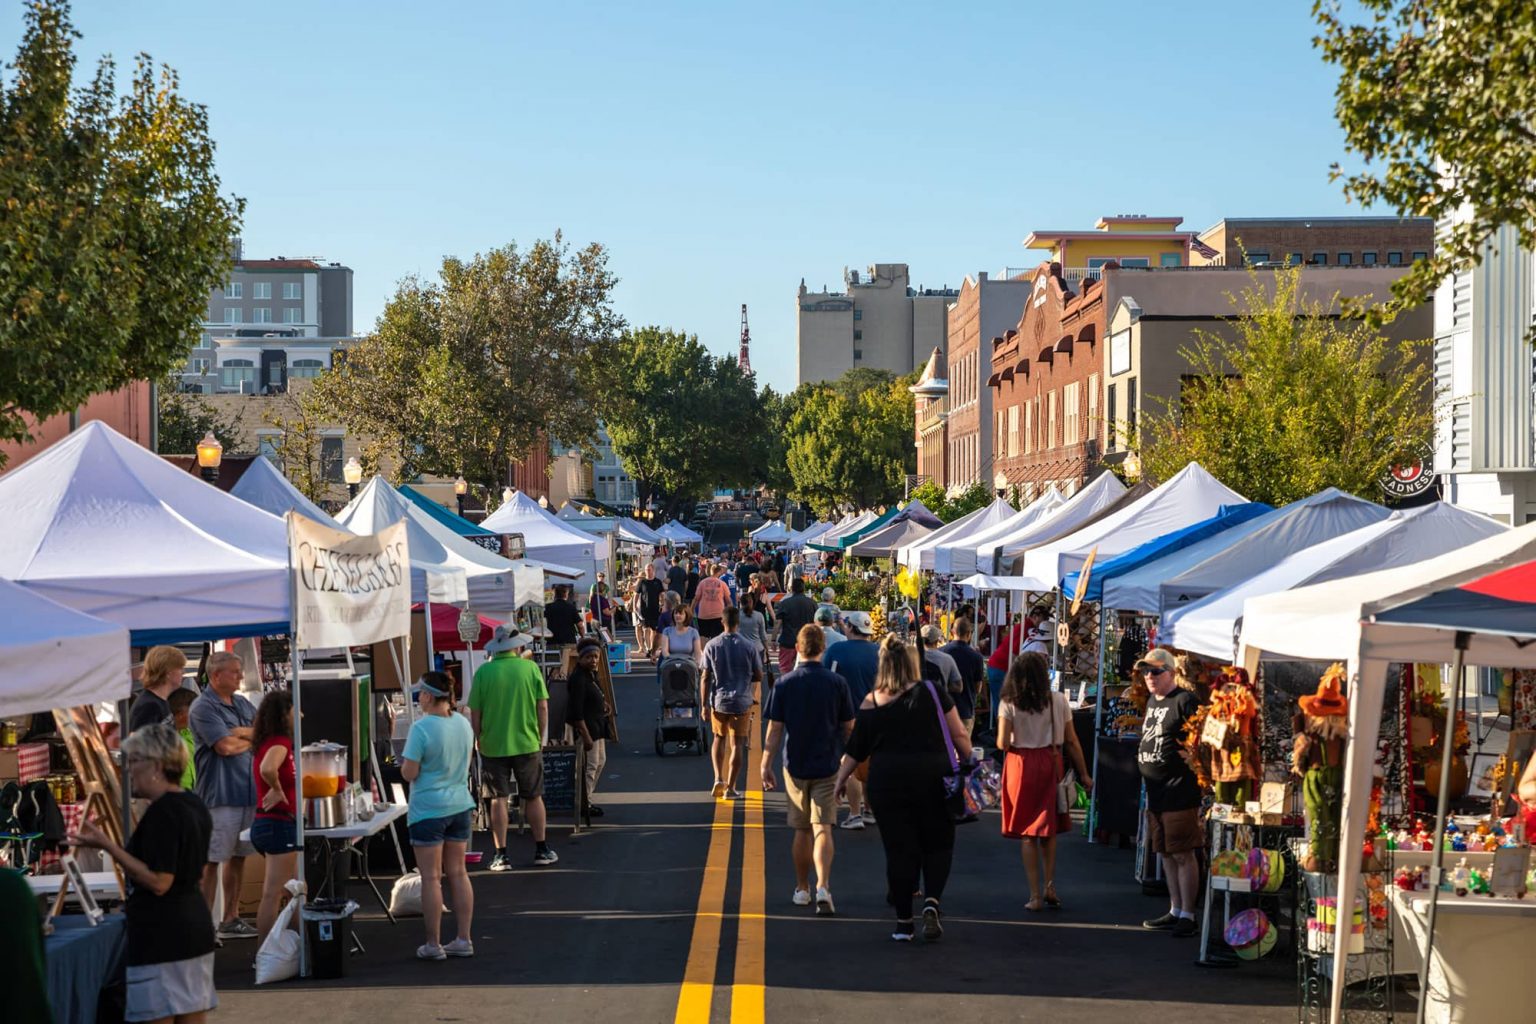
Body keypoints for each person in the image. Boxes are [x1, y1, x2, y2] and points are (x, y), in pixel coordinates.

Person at [70, 722, 217, 1023]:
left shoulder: (164, 812)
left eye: (135, 760)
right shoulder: (193, 803)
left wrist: (108, 846)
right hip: (193, 927)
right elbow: (197, 871)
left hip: (163, 936)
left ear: (157, 766)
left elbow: (160, 881)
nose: (129, 769)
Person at [834, 636, 972, 943]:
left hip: (888, 782)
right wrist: (971, 763)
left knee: (898, 850)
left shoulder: (872, 700)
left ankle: (903, 924)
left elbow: (856, 749)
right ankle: (932, 901)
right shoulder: (933, 692)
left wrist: (841, 780)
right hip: (935, 777)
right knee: (938, 844)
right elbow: (960, 734)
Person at [762, 624, 855, 917]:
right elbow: (848, 728)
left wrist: (765, 763)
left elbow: (775, 729)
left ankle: (802, 888)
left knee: (802, 829)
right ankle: (823, 886)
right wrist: (849, 763)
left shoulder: (785, 684)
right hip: (828, 763)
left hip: (795, 765)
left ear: (798, 648)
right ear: (823, 649)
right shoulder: (837, 683)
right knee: (823, 827)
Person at [997, 652, 1091, 913]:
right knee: (1048, 829)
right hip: (1051, 761)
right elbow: (1072, 740)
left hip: (1021, 764)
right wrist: (1084, 773)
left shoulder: (1009, 701)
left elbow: (1002, 743)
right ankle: (1050, 885)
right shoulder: (1059, 700)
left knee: (1028, 833)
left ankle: (1035, 895)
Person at [402, 672, 477, 960]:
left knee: (431, 877)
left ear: (428, 696)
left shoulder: (421, 729)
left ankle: (433, 944)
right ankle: (464, 938)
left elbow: (409, 772)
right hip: (459, 804)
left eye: (420, 694)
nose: (418, 698)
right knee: (459, 873)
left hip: (428, 809)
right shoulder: (462, 723)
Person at [469, 625, 557, 870]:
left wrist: (479, 736)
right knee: (533, 796)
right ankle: (541, 848)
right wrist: (540, 736)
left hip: (493, 744)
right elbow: (542, 706)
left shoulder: (483, 672)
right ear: (517, 646)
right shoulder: (530, 668)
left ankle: (501, 854)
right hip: (527, 742)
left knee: (498, 799)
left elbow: (475, 712)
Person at [189, 650, 258, 941]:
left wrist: (240, 733)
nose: (241, 676)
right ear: (216, 676)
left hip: (247, 792)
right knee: (212, 860)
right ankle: (204, 926)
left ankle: (231, 918)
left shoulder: (241, 702)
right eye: (235, 671)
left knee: (238, 857)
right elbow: (225, 747)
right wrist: (249, 736)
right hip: (220, 795)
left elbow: (265, 731)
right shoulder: (203, 707)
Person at [1134, 648, 1203, 937]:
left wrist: (1193, 759)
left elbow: (1200, 739)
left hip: (1179, 790)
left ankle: (1188, 914)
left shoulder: (1185, 700)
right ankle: (1175, 909)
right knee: (1164, 852)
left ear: (1171, 673)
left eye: (1155, 671)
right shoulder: (1153, 700)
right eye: (1145, 671)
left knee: (1183, 852)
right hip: (1156, 791)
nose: (1149, 676)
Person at [249, 691, 299, 944]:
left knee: (295, 890)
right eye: (295, 710)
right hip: (277, 824)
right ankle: (265, 953)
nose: (300, 715)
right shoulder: (280, 742)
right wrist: (278, 790)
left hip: (274, 823)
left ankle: (294, 946)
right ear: (284, 714)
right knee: (274, 893)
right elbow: (267, 768)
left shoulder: (270, 742)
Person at [824, 612, 880, 830]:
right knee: (869, 764)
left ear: (850, 628)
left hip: (845, 716)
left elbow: (827, 681)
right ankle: (869, 810)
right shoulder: (879, 652)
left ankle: (854, 813)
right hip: (875, 715)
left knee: (850, 763)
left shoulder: (837, 650)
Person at [701, 607, 763, 799]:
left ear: (722, 621)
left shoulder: (712, 645)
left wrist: (704, 705)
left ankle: (718, 778)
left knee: (718, 738)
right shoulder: (749, 646)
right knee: (737, 744)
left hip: (719, 700)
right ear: (738, 623)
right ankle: (731, 788)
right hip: (741, 700)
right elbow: (758, 674)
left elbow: (705, 677)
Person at [567, 639, 612, 817]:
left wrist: (604, 703)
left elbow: (595, 695)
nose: (593, 660)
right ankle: (583, 803)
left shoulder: (591, 675)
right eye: (589, 657)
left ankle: (587, 798)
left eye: (596, 657)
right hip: (588, 729)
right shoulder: (578, 679)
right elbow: (576, 711)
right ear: (580, 658)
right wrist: (585, 735)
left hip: (598, 726)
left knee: (600, 762)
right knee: (590, 766)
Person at [941, 618, 986, 738]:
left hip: (943, 709)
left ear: (952, 631)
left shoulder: (941, 652)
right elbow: (978, 688)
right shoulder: (976, 657)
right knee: (962, 747)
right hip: (965, 710)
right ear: (969, 634)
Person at [130, 645, 187, 733]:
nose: (183, 672)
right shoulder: (148, 706)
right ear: (168, 672)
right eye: (180, 668)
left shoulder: (160, 701)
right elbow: (139, 740)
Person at [775, 578, 818, 676]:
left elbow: (778, 623)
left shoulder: (784, 603)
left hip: (788, 641)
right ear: (803, 588)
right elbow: (816, 624)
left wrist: (773, 639)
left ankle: (786, 683)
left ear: (792, 589)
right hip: (806, 642)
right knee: (806, 670)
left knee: (785, 668)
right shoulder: (812, 603)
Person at [693, 563, 734, 639]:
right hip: (718, 614)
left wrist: (691, 610)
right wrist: (730, 614)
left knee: (703, 637)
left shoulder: (702, 582)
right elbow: (728, 601)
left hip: (703, 614)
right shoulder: (722, 584)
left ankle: (704, 647)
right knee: (717, 639)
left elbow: (696, 599)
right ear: (719, 572)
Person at [168, 688, 198, 791]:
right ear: (181, 714)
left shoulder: (191, 734)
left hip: (193, 792)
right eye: (193, 711)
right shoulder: (166, 740)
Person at [918, 625, 962, 694]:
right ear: (937, 641)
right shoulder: (947, 659)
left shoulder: (912, 658)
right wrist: (943, 688)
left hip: (917, 698)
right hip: (940, 698)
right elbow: (959, 687)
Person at [736, 592, 772, 677]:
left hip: (741, 649)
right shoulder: (759, 616)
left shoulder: (736, 615)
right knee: (757, 677)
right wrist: (767, 650)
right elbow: (763, 636)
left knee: (742, 676)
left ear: (740, 603)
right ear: (752, 603)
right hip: (757, 649)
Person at [634, 563, 665, 659]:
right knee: (646, 629)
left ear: (653, 570)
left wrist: (662, 604)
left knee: (654, 630)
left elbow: (662, 594)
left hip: (655, 609)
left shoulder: (658, 582)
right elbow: (636, 594)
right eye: (646, 570)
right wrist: (634, 606)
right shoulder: (642, 582)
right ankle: (648, 648)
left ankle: (652, 648)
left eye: (649, 569)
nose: (648, 571)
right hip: (644, 610)